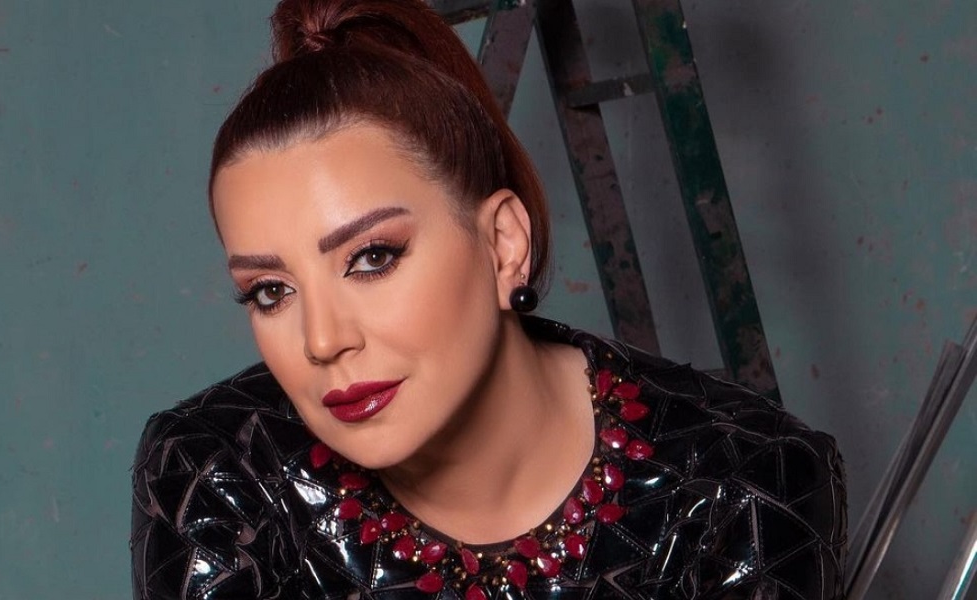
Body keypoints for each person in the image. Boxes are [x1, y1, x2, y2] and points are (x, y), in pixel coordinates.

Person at [129, 0, 847, 598]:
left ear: (504, 244)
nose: (323, 340)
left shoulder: (745, 484)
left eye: (372, 258)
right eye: (271, 291)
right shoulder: (218, 474)